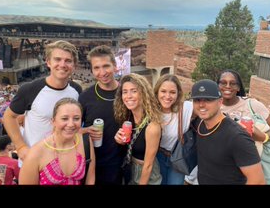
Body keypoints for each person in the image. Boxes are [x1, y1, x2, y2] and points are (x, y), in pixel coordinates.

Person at [3, 41, 83, 154]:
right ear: (48, 62)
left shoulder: (77, 90)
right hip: (35, 161)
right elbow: (9, 116)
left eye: (68, 61)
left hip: (64, 157)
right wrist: (21, 147)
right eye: (57, 59)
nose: (62, 64)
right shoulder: (30, 89)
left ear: (74, 65)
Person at [188, 79, 263, 185]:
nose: (201, 105)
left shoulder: (237, 137)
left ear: (220, 102)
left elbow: (258, 181)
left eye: (208, 100)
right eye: (197, 100)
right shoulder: (199, 123)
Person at [218, 69, 270, 184]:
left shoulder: (253, 105)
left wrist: (263, 137)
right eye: (223, 82)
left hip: (253, 167)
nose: (228, 86)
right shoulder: (212, 108)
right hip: (225, 169)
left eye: (233, 83)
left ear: (239, 87)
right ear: (218, 86)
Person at [19, 98, 95, 185]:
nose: (71, 124)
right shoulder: (36, 153)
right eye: (64, 118)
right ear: (53, 121)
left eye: (76, 118)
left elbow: (90, 179)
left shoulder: (85, 142)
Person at [77, 45, 125, 184]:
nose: (102, 72)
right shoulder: (85, 97)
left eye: (106, 66)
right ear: (91, 70)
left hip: (123, 164)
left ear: (115, 66)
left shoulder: (127, 93)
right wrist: (85, 130)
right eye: (96, 68)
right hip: (93, 165)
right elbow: (73, 130)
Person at [112, 73, 163, 184]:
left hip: (146, 173)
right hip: (130, 168)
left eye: (134, 91)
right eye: (125, 92)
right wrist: (119, 140)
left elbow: (148, 165)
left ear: (143, 94)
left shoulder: (152, 126)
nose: (128, 96)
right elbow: (131, 145)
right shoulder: (128, 119)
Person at [154, 75, 195, 185]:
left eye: (172, 92)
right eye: (163, 91)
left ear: (178, 94)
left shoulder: (186, 108)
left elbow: (207, 108)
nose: (167, 96)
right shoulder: (152, 111)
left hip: (178, 158)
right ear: (157, 92)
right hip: (157, 157)